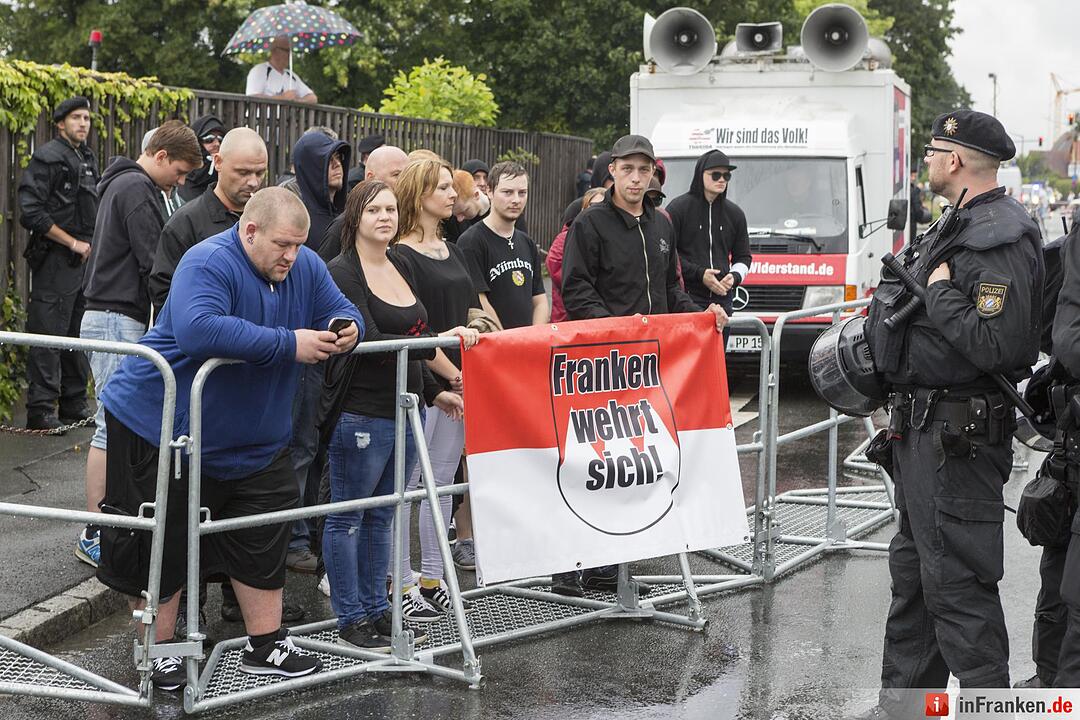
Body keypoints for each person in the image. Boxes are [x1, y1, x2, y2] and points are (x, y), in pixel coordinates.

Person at [96, 187, 362, 689]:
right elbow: (199, 330)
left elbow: (344, 309)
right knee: (165, 540)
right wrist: (291, 343)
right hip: (163, 427)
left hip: (253, 439)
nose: (292, 255)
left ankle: (266, 644)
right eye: (283, 244)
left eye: (299, 245)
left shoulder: (303, 264)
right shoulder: (207, 260)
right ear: (249, 231)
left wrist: (346, 329)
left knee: (263, 534)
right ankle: (161, 650)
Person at [859, 110, 1043, 717]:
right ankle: (905, 709)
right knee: (915, 583)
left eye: (935, 150)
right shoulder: (957, 225)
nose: (928, 161)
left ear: (957, 159)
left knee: (958, 587)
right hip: (922, 432)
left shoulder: (1000, 234)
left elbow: (1002, 347)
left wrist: (937, 292)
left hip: (957, 439)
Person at [559, 135, 727, 596]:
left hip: (649, 368)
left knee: (636, 465)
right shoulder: (590, 224)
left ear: (653, 172)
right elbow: (576, 290)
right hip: (601, 364)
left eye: (644, 169)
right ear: (612, 170)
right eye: (627, 169)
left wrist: (700, 313)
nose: (636, 178)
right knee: (594, 465)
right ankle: (571, 566)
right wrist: (617, 330)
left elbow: (670, 291)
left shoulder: (663, 225)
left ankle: (614, 567)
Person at [321, 179, 474, 649]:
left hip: (405, 408)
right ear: (355, 219)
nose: (384, 217)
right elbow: (367, 338)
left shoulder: (398, 263)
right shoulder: (342, 271)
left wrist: (449, 383)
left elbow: (420, 333)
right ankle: (351, 616)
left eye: (390, 209)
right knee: (350, 516)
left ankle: (376, 608)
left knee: (384, 516)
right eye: (373, 211)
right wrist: (436, 343)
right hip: (362, 412)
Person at [77, 120, 201, 572]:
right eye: (182, 171)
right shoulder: (136, 188)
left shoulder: (129, 184)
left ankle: (103, 526)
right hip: (113, 317)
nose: (183, 182)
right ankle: (95, 530)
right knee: (111, 423)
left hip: (115, 315)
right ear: (162, 156)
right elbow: (155, 260)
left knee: (115, 421)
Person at [389, 157, 480, 621]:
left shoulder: (454, 247)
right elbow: (413, 330)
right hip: (427, 379)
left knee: (442, 482)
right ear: (420, 194)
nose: (452, 194)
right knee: (407, 485)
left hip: (459, 375)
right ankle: (401, 580)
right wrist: (446, 376)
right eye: (443, 187)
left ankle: (433, 576)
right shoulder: (399, 254)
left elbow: (466, 310)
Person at [286, 128, 351, 574]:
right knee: (299, 447)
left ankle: (308, 531)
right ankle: (291, 539)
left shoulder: (342, 210)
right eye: (328, 160)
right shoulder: (293, 210)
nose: (338, 168)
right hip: (297, 346)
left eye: (341, 160)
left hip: (328, 346)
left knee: (320, 446)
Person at [17, 96, 97, 435]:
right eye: (76, 117)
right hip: (55, 258)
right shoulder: (47, 157)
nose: (83, 123)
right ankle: (41, 410)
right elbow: (31, 213)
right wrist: (72, 242)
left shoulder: (87, 158)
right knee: (48, 333)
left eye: (87, 118)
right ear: (60, 122)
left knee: (76, 332)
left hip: (82, 261)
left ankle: (73, 404)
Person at [150, 128, 268, 317]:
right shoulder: (185, 223)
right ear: (218, 162)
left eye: (260, 172)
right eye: (243, 172)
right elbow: (164, 296)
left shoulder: (269, 221)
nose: (253, 182)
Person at [668, 149, 752, 340]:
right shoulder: (678, 208)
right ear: (701, 175)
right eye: (715, 174)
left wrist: (735, 276)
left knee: (718, 359)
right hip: (688, 297)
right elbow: (668, 254)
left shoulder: (735, 214)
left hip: (724, 299)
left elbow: (744, 256)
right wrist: (699, 274)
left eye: (726, 175)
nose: (721, 179)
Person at [458, 161, 548, 331]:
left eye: (522, 193)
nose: (516, 200)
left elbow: (540, 300)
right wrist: (506, 341)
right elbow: (480, 301)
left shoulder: (527, 243)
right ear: (489, 191)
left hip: (529, 344)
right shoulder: (471, 242)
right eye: (507, 192)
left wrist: (535, 336)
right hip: (494, 345)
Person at [317, 144, 409, 263]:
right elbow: (324, 274)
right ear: (371, 177)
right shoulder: (344, 225)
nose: (405, 182)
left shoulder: (411, 217)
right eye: (396, 175)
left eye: (407, 176)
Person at [547, 188, 606, 323]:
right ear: (583, 209)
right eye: (594, 205)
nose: (599, 210)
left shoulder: (609, 239)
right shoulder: (564, 238)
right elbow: (561, 274)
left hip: (598, 317)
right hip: (567, 320)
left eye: (604, 206)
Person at [245, 36, 317, 104]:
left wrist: (298, 101)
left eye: (291, 51)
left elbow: (313, 98)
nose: (289, 54)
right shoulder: (259, 70)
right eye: (286, 50)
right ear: (274, 51)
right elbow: (252, 98)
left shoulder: (291, 76)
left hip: (287, 117)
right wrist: (282, 98)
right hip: (260, 117)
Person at [177, 115, 227, 203]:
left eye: (220, 140)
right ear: (197, 142)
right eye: (209, 139)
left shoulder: (225, 181)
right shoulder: (182, 179)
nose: (216, 144)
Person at [909, 168, 932, 232]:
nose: (913, 178)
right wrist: (921, 216)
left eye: (915, 176)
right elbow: (916, 206)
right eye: (912, 176)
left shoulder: (911, 188)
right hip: (911, 220)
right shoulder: (915, 190)